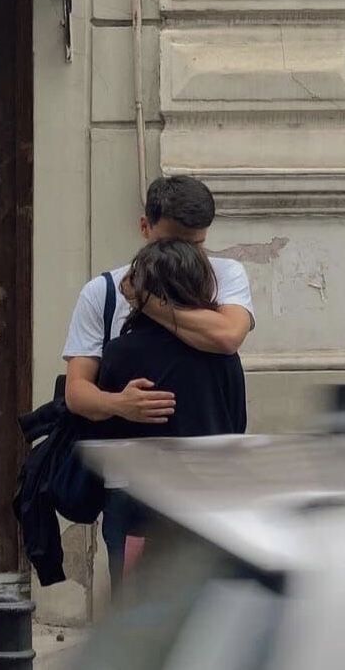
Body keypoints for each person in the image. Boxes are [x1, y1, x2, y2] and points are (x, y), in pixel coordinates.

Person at [83, 239, 247, 591]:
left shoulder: (120, 353)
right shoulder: (224, 357)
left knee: (135, 618)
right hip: (209, 502)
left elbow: (108, 431)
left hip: (137, 504)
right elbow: (237, 424)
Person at [63, 175, 255, 426]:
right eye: (172, 243)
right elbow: (76, 390)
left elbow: (228, 337)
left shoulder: (225, 274)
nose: (182, 256)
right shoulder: (102, 291)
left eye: (195, 245)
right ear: (145, 226)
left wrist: (145, 300)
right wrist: (119, 404)